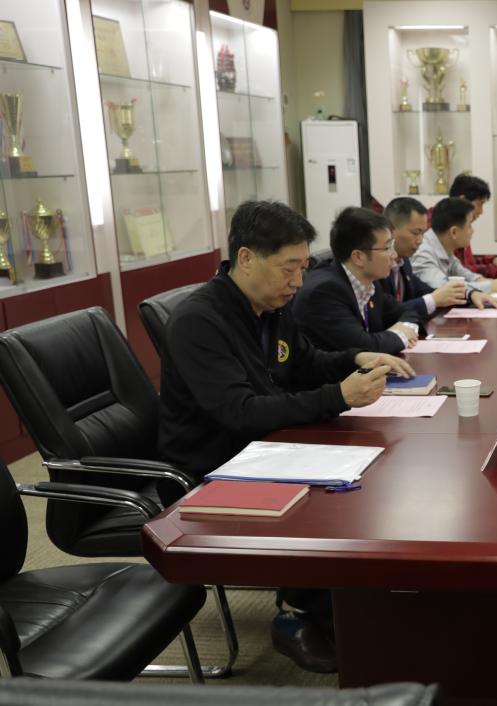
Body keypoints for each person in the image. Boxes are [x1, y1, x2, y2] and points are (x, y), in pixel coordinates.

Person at [159, 200, 414, 673]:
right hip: (215, 466)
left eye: (303, 268)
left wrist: (354, 359)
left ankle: (349, 600)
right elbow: (239, 412)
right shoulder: (200, 321)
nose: (298, 281)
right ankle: (299, 611)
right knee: (342, 494)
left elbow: (303, 362)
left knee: (374, 468)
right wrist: (339, 396)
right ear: (246, 258)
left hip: (268, 445)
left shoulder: (272, 306)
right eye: (288, 268)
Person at [294, 207, 431, 354]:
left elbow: (406, 311)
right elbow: (365, 348)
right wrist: (401, 334)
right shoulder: (324, 292)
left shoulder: (369, 282)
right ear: (358, 257)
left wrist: (402, 329)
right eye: (386, 248)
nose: (394, 254)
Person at [379, 197, 467, 319]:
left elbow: (425, 291)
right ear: (390, 230)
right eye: (415, 233)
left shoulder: (404, 262)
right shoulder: (376, 266)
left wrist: (470, 294)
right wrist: (433, 300)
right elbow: (386, 313)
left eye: (423, 233)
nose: (420, 241)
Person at [412, 197, 497, 307]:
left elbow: (464, 274)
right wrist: (491, 286)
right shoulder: (422, 251)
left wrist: (485, 281)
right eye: (469, 225)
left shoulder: (444, 247)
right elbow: (442, 287)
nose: (472, 231)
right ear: (453, 232)